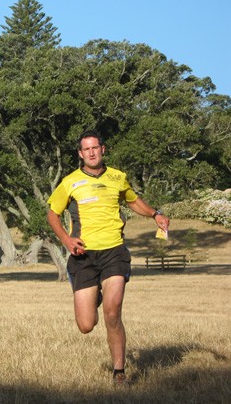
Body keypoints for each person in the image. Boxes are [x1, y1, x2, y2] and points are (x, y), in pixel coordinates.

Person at [46, 130, 169, 387]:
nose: (91, 153)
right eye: (86, 149)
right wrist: (66, 241)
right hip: (84, 256)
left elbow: (133, 201)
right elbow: (52, 214)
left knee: (113, 313)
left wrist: (155, 213)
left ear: (103, 149)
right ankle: (94, 295)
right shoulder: (70, 182)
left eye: (95, 148)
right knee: (86, 325)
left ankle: (119, 373)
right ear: (80, 154)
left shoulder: (117, 177)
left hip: (114, 251)